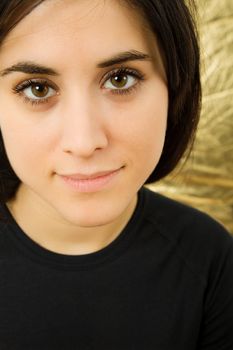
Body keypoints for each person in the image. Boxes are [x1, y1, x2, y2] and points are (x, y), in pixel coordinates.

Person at [0, 0, 232, 349]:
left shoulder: (210, 260)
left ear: (176, 84)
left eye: (120, 79)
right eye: (37, 88)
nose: (84, 141)